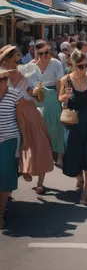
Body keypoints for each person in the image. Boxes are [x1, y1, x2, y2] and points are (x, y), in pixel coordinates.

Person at [0, 46, 53, 194]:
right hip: (9, 113)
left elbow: (34, 87)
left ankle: (39, 181)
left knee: (39, 144)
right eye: (14, 58)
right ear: (6, 60)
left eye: (18, 58)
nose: (17, 61)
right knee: (13, 151)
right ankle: (8, 188)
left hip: (28, 110)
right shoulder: (7, 73)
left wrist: (35, 91)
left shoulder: (22, 71)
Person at [59, 50, 87, 205]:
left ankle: (86, 190)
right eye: (81, 66)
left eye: (86, 65)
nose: (84, 69)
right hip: (73, 122)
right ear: (72, 65)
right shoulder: (65, 80)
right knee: (73, 156)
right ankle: (79, 177)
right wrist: (64, 98)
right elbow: (61, 99)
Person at [31, 40, 65, 167]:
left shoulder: (56, 63)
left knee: (57, 127)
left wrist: (60, 100)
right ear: (37, 53)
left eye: (47, 52)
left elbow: (60, 83)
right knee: (42, 128)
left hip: (53, 96)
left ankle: (60, 155)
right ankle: (47, 153)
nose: (45, 56)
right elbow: (23, 76)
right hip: (38, 98)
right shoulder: (33, 65)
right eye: (41, 53)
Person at [0, 67, 25, 229]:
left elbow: (21, 119)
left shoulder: (15, 95)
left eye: (5, 79)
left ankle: (1, 213)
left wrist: (25, 141)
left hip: (9, 140)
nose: (3, 82)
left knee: (5, 177)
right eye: (0, 79)